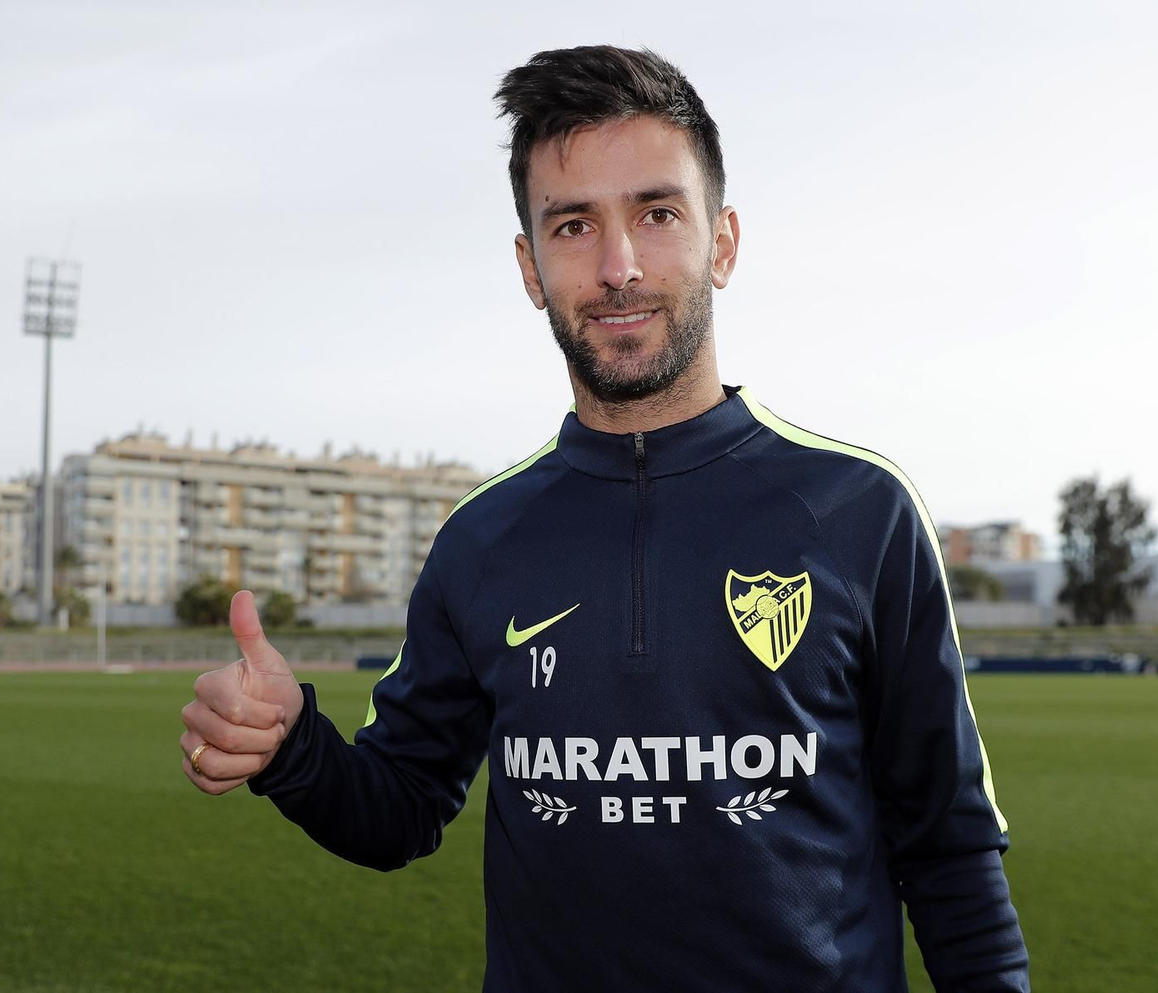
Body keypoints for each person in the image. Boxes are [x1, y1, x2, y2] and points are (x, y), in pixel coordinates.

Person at [181, 45, 1029, 992]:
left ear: (724, 241)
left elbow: (950, 850)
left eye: (657, 214)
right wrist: (293, 744)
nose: (619, 266)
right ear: (530, 266)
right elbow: (400, 809)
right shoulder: (482, 539)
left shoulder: (861, 509)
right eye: (575, 225)